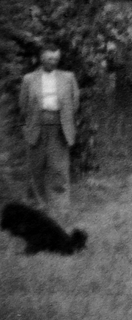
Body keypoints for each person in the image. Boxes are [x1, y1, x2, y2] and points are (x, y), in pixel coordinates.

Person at [18, 44, 79, 213]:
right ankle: (37, 204)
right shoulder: (29, 79)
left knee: (59, 167)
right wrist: (28, 124)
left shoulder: (68, 77)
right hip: (36, 125)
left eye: (56, 59)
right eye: (50, 58)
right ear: (41, 58)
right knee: (35, 166)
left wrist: (63, 119)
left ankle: (60, 207)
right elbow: (22, 105)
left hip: (59, 126)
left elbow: (74, 102)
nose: (53, 62)